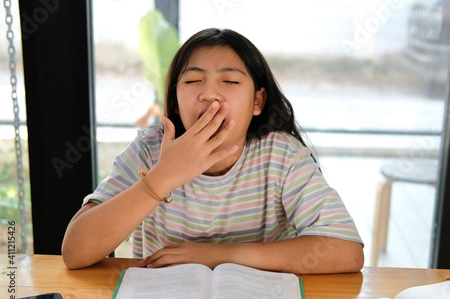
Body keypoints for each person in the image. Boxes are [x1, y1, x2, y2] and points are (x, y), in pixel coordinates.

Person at [62, 28, 364, 273]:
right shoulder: (149, 149)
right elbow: (75, 252)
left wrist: (217, 256)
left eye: (229, 81)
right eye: (193, 81)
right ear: (176, 101)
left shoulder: (281, 156)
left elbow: (346, 251)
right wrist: (164, 175)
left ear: (258, 101)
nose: (208, 94)